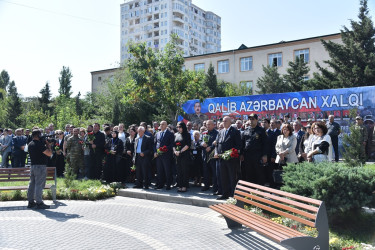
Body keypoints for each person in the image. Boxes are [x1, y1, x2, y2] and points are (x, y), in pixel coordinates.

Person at [215, 116, 241, 200]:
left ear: (230, 122)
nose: (224, 122)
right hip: (221, 159)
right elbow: (217, 144)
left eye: (226, 121)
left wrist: (229, 154)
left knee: (232, 177)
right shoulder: (220, 132)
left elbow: (238, 146)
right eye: (223, 121)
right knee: (223, 177)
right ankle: (225, 194)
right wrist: (216, 153)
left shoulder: (235, 132)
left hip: (231, 159)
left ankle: (233, 195)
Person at [27, 129, 52, 209]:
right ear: (38, 135)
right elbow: (49, 153)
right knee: (39, 185)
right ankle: (39, 202)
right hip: (40, 166)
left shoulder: (30, 144)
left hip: (33, 166)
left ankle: (31, 202)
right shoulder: (39, 144)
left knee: (32, 184)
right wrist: (48, 145)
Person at [241, 114, 268, 185]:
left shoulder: (261, 130)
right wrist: (241, 154)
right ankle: (250, 191)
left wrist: (265, 155)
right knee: (249, 173)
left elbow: (265, 144)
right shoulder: (246, 130)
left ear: (256, 120)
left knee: (259, 173)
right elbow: (242, 143)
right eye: (250, 119)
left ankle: (260, 191)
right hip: (247, 155)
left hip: (258, 155)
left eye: (253, 119)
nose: (251, 121)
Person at [154, 121, 174, 190]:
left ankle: (168, 184)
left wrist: (165, 149)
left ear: (166, 125)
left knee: (167, 170)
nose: (161, 125)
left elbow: (172, 145)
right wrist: (155, 152)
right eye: (160, 124)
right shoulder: (157, 133)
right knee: (159, 170)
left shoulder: (170, 134)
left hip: (166, 155)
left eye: (163, 124)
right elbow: (155, 143)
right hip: (158, 155)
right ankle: (160, 184)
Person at [201, 120, 219, 193]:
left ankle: (215, 187)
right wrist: (202, 144)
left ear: (213, 125)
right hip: (205, 155)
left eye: (209, 124)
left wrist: (211, 147)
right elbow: (200, 141)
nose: (207, 126)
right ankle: (206, 185)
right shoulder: (204, 133)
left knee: (214, 172)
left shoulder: (216, 133)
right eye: (207, 124)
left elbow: (217, 143)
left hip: (213, 155)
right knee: (206, 171)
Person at [173, 122, 192, 192]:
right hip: (177, 155)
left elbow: (188, 145)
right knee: (179, 171)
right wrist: (175, 151)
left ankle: (184, 186)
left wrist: (180, 151)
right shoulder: (176, 135)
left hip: (184, 155)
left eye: (180, 127)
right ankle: (180, 185)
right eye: (177, 127)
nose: (178, 128)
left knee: (184, 171)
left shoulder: (187, 134)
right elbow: (173, 145)